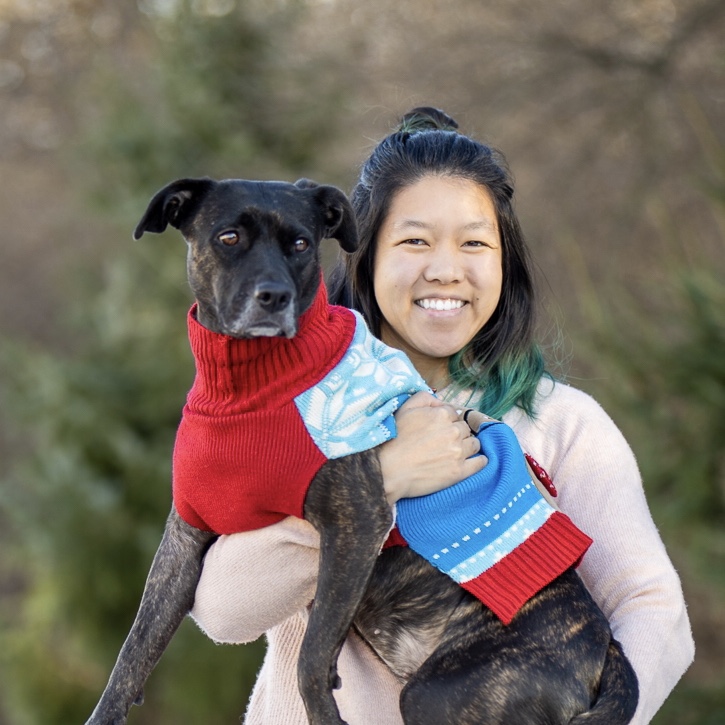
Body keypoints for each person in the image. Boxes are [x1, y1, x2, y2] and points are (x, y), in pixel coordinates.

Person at [189, 107, 694, 724]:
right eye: (415, 240)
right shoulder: (300, 411)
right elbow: (222, 612)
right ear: (364, 255)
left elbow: (652, 606)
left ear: (505, 263)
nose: (446, 269)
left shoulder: (560, 423)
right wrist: (379, 480)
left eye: (475, 242)